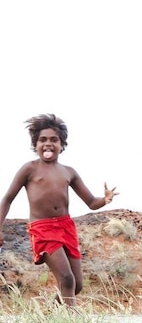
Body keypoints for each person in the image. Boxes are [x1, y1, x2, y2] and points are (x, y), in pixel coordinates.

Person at [0, 114, 117, 307]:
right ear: (35, 144)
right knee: (66, 278)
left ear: (62, 144)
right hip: (43, 229)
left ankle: (48, 317)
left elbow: (91, 202)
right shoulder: (29, 169)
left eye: (54, 140)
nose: (48, 144)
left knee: (76, 284)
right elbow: (7, 199)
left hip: (66, 227)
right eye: (42, 140)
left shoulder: (68, 172)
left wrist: (104, 200)